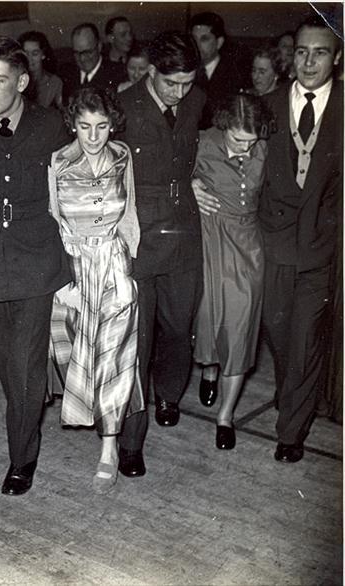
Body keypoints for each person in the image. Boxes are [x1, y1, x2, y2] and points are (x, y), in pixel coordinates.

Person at [0, 37, 72, 496]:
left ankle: (21, 458)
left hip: (36, 261)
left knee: (23, 369)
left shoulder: (51, 126)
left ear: (22, 81)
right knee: (8, 365)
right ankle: (28, 406)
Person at [115, 32, 206, 478]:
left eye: (188, 82)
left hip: (184, 234)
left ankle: (170, 391)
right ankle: (132, 441)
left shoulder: (196, 101)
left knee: (177, 327)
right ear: (151, 72)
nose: (180, 92)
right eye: (172, 83)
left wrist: (200, 180)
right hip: (138, 238)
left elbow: (197, 154)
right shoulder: (122, 105)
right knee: (137, 342)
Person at [48, 86, 144, 494]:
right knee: (73, 359)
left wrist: (132, 271)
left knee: (115, 359)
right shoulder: (57, 163)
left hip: (115, 267)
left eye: (101, 126)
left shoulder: (122, 156)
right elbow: (52, 219)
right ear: (72, 123)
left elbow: (131, 214)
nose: (93, 136)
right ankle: (99, 426)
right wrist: (61, 280)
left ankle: (108, 450)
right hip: (74, 271)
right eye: (84, 126)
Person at [258, 17, 342, 463]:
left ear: (338, 57)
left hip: (321, 249)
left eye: (321, 52)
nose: (309, 62)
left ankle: (290, 430)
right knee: (280, 336)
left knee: (306, 338)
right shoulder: (265, 105)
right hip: (273, 248)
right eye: (302, 52)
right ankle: (298, 397)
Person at [191, 94, 272, 449]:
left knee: (239, 327)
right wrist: (190, 186)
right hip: (209, 238)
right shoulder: (203, 141)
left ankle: (225, 416)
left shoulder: (266, 151)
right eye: (238, 139)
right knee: (207, 317)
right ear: (223, 127)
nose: (245, 148)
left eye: (251, 142)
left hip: (247, 245)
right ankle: (209, 368)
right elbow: (170, 174)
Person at [190, 11, 249, 127]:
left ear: (219, 42)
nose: (196, 45)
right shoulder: (185, 71)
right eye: (194, 39)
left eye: (204, 39)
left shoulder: (236, 74)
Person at [62, 23, 127, 104]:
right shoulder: (66, 75)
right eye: (77, 53)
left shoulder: (119, 73)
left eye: (87, 52)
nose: (82, 58)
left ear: (99, 46)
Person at [19, 30, 63, 109]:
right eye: (26, 53)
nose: (29, 58)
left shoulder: (55, 83)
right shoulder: (16, 81)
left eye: (35, 54)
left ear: (43, 55)